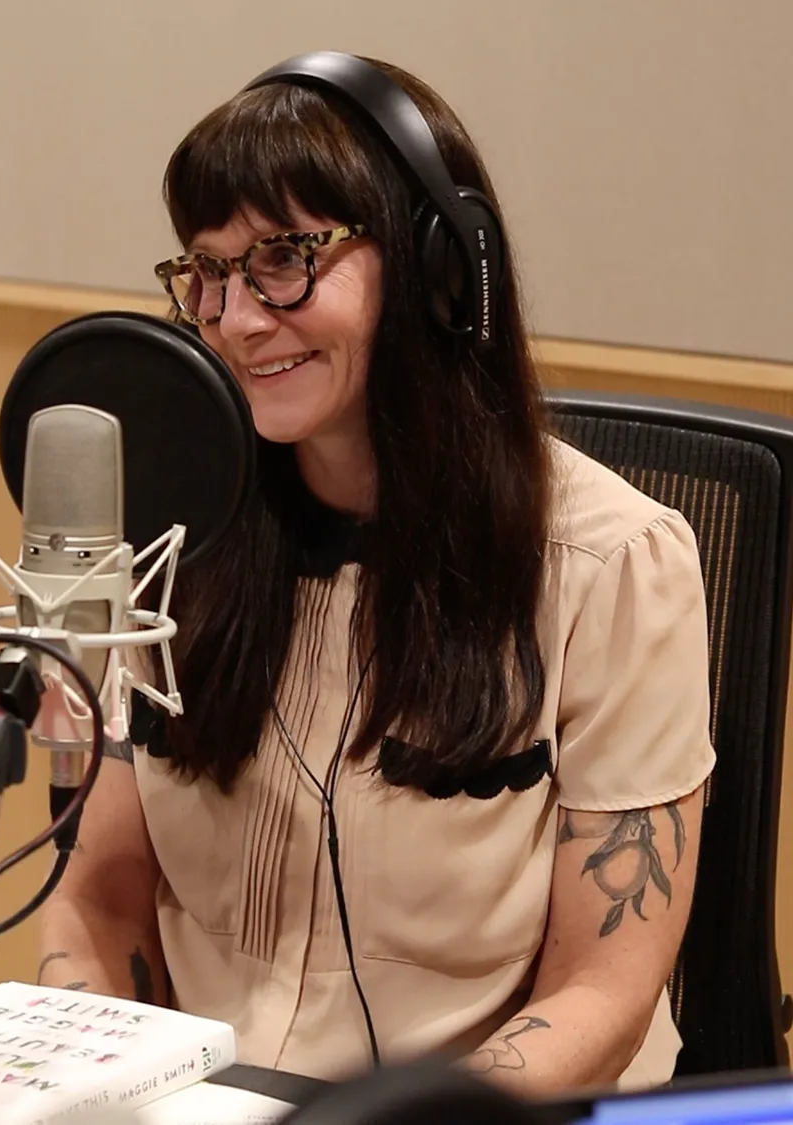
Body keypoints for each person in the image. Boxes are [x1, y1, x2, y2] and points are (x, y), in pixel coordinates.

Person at [36, 53, 712, 1097]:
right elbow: (98, 899)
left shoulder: (611, 565)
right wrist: (85, 1090)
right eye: (206, 271)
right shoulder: (171, 544)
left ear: (434, 270)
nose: (235, 316)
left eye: (282, 259)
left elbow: (602, 991)